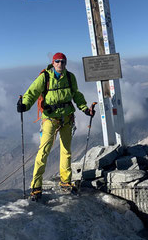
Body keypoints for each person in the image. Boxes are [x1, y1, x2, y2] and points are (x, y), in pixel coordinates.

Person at [17, 52, 94, 200]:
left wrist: (85, 108)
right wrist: (25, 105)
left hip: (67, 118)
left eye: (63, 62)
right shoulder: (45, 77)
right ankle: (36, 186)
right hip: (50, 119)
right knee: (43, 151)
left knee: (66, 151)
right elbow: (32, 92)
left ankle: (66, 181)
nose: (60, 64)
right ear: (53, 63)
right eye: (57, 62)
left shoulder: (70, 77)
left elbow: (76, 94)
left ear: (65, 63)